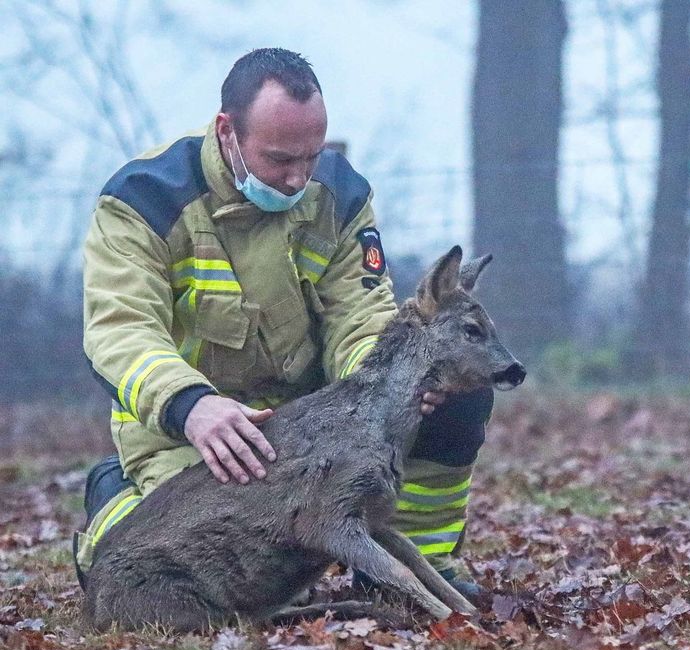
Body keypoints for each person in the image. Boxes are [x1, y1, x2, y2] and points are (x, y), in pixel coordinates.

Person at [75, 48, 491, 599]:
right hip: (195, 433)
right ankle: (112, 502)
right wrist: (192, 405)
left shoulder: (341, 195)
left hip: (314, 422)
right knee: (194, 571)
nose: (298, 178)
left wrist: (400, 382)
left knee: (458, 400)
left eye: (312, 157)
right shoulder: (143, 200)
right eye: (279, 160)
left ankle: (412, 572)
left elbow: (360, 314)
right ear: (227, 131)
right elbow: (121, 329)